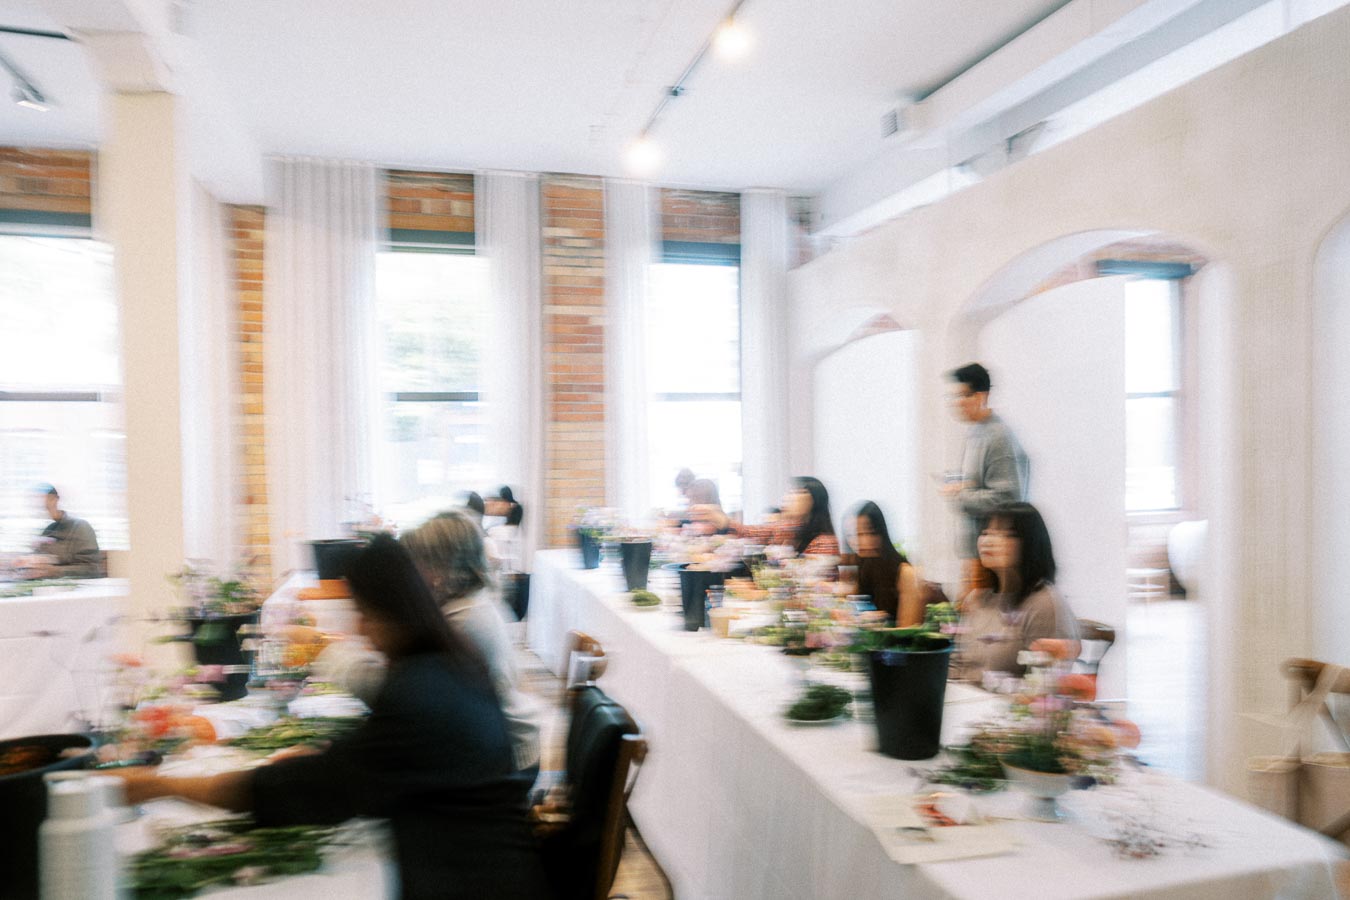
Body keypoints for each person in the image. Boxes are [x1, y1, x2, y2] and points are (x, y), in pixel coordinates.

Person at [116, 535, 552, 900]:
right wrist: (335, 758)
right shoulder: (451, 663)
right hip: (488, 862)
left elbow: (301, 791)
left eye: (364, 615)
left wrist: (161, 784)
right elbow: (384, 765)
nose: (361, 631)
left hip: (468, 881)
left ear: (393, 611)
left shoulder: (420, 690)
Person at [402, 512, 542, 776]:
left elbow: (413, 692)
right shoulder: (474, 601)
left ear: (439, 568)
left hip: (508, 762)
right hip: (504, 745)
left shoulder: (463, 621)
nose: (411, 572)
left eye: (416, 562)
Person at [956, 502, 1079, 684]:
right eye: (986, 532)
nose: (989, 541)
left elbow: (1045, 686)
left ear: (1030, 542)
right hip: (965, 704)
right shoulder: (978, 598)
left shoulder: (1044, 603)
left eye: (1006, 534)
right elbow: (957, 666)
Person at [941, 363, 1029, 599]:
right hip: (974, 554)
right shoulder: (975, 433)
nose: (956, 403)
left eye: (962, 396)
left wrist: (961, 495)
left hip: (991, 559)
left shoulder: (998, 436)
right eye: (953, 396)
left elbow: (1008, 499)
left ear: (981, 396)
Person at [701, 476, 840, 556]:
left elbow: (808, 583)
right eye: (789, 492)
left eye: (797, 492)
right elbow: (751, 532)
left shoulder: (824, 542)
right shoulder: (788, 529)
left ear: (814, 501)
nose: (787, 497)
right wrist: (722, 520)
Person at [840, 501, 924, 626]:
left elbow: (908, 630)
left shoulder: (905, 572)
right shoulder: (863, 565)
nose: (858, 541)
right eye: (851, 535)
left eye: (868, 532)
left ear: (881, 531)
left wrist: (881, 622)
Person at [29, 484, 100, 578]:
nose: (41, 509)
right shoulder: (48, 531)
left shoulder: (80, 527)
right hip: (51, 587)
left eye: (45, 505)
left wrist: (56, 571)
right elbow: (37, 560)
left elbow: (91, 569)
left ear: (55, 500)